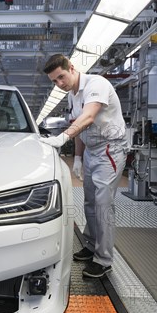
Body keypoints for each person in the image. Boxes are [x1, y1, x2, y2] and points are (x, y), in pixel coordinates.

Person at [40, 54, 127, 278]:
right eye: (54, 81)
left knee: (102, 204)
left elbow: (88, 118)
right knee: (89, 201)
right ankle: (90, 246)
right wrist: (78, 157)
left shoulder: (96, 84)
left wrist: (61, 138)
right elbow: (79, 127)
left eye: (61, 77)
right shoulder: (72, 95)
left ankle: (104, 259)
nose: (59, 84)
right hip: (91, 151)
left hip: (110, 149)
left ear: (71, 67)